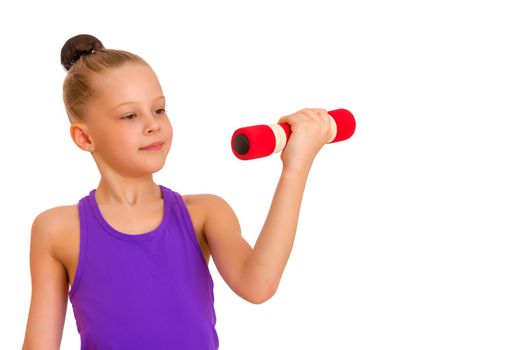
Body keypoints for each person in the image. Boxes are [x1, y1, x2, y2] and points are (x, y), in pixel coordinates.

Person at [22, 34, 333, 349]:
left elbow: (258, 285)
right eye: (130, 115)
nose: (152, 124)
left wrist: (295, 169)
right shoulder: (57, 230)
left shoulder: (206, 213)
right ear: (84, 138)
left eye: (159, 110)